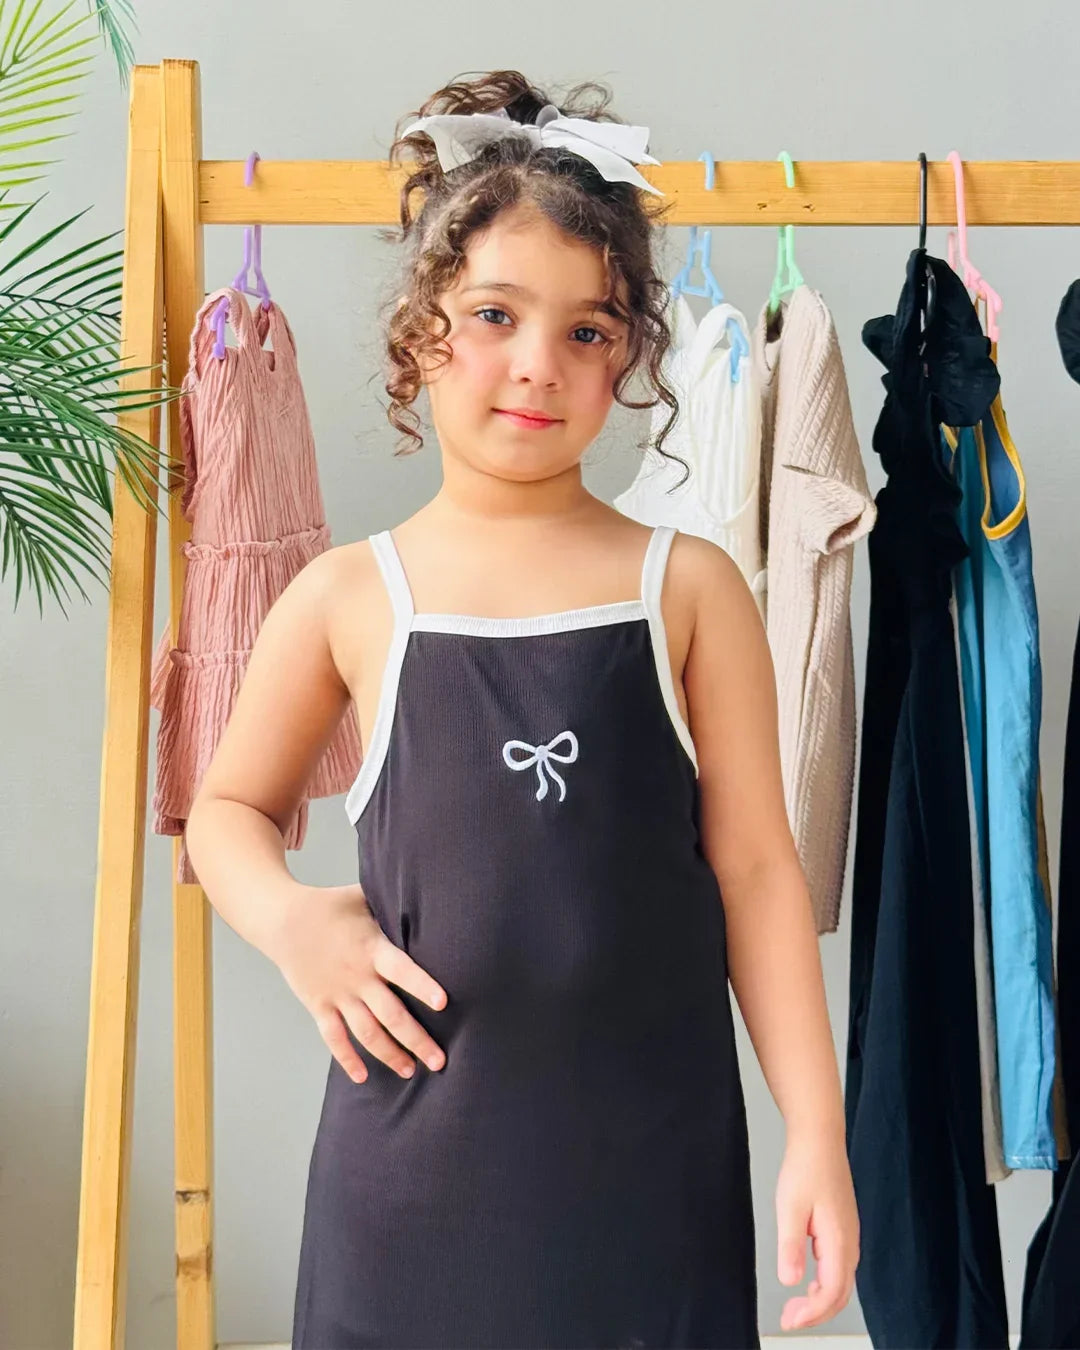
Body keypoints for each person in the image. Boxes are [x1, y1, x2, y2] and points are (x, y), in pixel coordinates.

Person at [185, 68, 859, 1350]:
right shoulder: (349, 596)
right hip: (409, 1193)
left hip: (655, 1186)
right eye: (495, 314)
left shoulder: (689, 588)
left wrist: (816, 1137)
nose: (537, 366)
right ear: (421, 329)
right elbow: (226, 809)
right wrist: (288, 923)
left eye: (590, 331)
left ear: (629, 359)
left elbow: (761, 873)